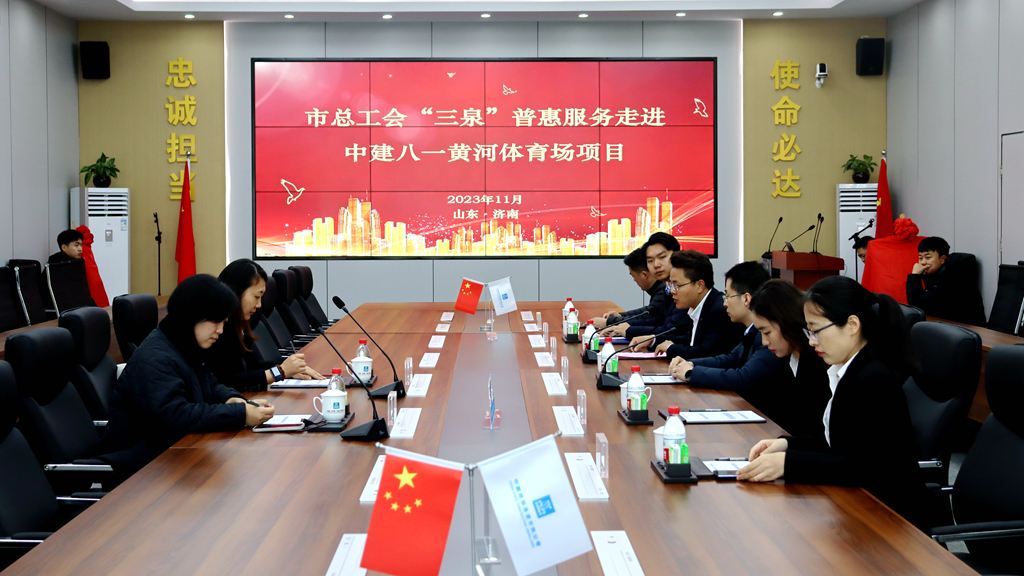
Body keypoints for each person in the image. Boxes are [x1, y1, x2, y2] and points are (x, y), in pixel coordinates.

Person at [738, 276, 929, 530]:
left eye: (816, 331)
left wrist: (787, 464)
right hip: (861, 504)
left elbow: (868, 466)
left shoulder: (875, 379)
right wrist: (786, 444)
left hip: (891, 519)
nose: (811, 341)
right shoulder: (849, 370)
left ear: (852, 325)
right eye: (808, 332)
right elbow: (839, 443)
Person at [99, 274, 275, 478]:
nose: (220, 330)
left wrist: (232, 399)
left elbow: (210, 383)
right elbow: (176, 416)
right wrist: (239, 414)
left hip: (170, 457)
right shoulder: (155, 358)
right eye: (216, 322)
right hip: (140, 469)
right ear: (193, 314)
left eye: (224, 322)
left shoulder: (183, 345)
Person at [666, 262, 783, 398]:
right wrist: (690, 363)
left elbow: (743, 378)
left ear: (746, 299)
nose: (724, 303)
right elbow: (730, 359)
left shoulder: (769, 335)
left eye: (728, 296)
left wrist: (691, 373)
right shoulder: (751, 331)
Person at [209, 259, 324, 392]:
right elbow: (226, 381)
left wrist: (288, 368)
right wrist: (279, 372)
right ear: (237, 292)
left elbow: (253, 366)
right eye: (256, 297)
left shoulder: (238, 325)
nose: (259, 305)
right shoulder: (216, 331)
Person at [747, 280, 831, 437]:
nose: (764, 342)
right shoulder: (788, 361)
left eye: (767, 332)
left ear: (786, 321)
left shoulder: (817, 366)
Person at [643, 250, 743, 360]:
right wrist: (654, 340)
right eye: (671, 285)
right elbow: (691, 341)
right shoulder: (698, 306)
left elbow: (706, 352)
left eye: (677, 285)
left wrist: (671, 348)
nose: (672, 291)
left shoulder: (719, 311)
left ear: (700, 286)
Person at [601, 232, 686, 339]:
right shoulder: (668, 288)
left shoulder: (684, 288)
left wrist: (627, 329)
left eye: (662, 257)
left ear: (678, 255)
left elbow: (672, 330)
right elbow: (658, 320)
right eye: (650, 261)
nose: (656, 265)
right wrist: (623, 326)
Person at [906, 236, 986, 325]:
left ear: (942, 259)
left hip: (966, 329)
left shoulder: (952, 279)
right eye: (920, 258)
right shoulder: (937, 274)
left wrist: (915, 276)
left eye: (928, 257)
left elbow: (917, 305)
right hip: (948, 325)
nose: (923, 262)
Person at [589, 247, 666, 330]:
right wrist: (621, 315)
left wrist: (608, 322)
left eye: (633, 276)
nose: (634, 280)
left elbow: (648, 318)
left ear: (644, 275)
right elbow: (648, 311)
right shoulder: (659, 288)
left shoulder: (664, 291)